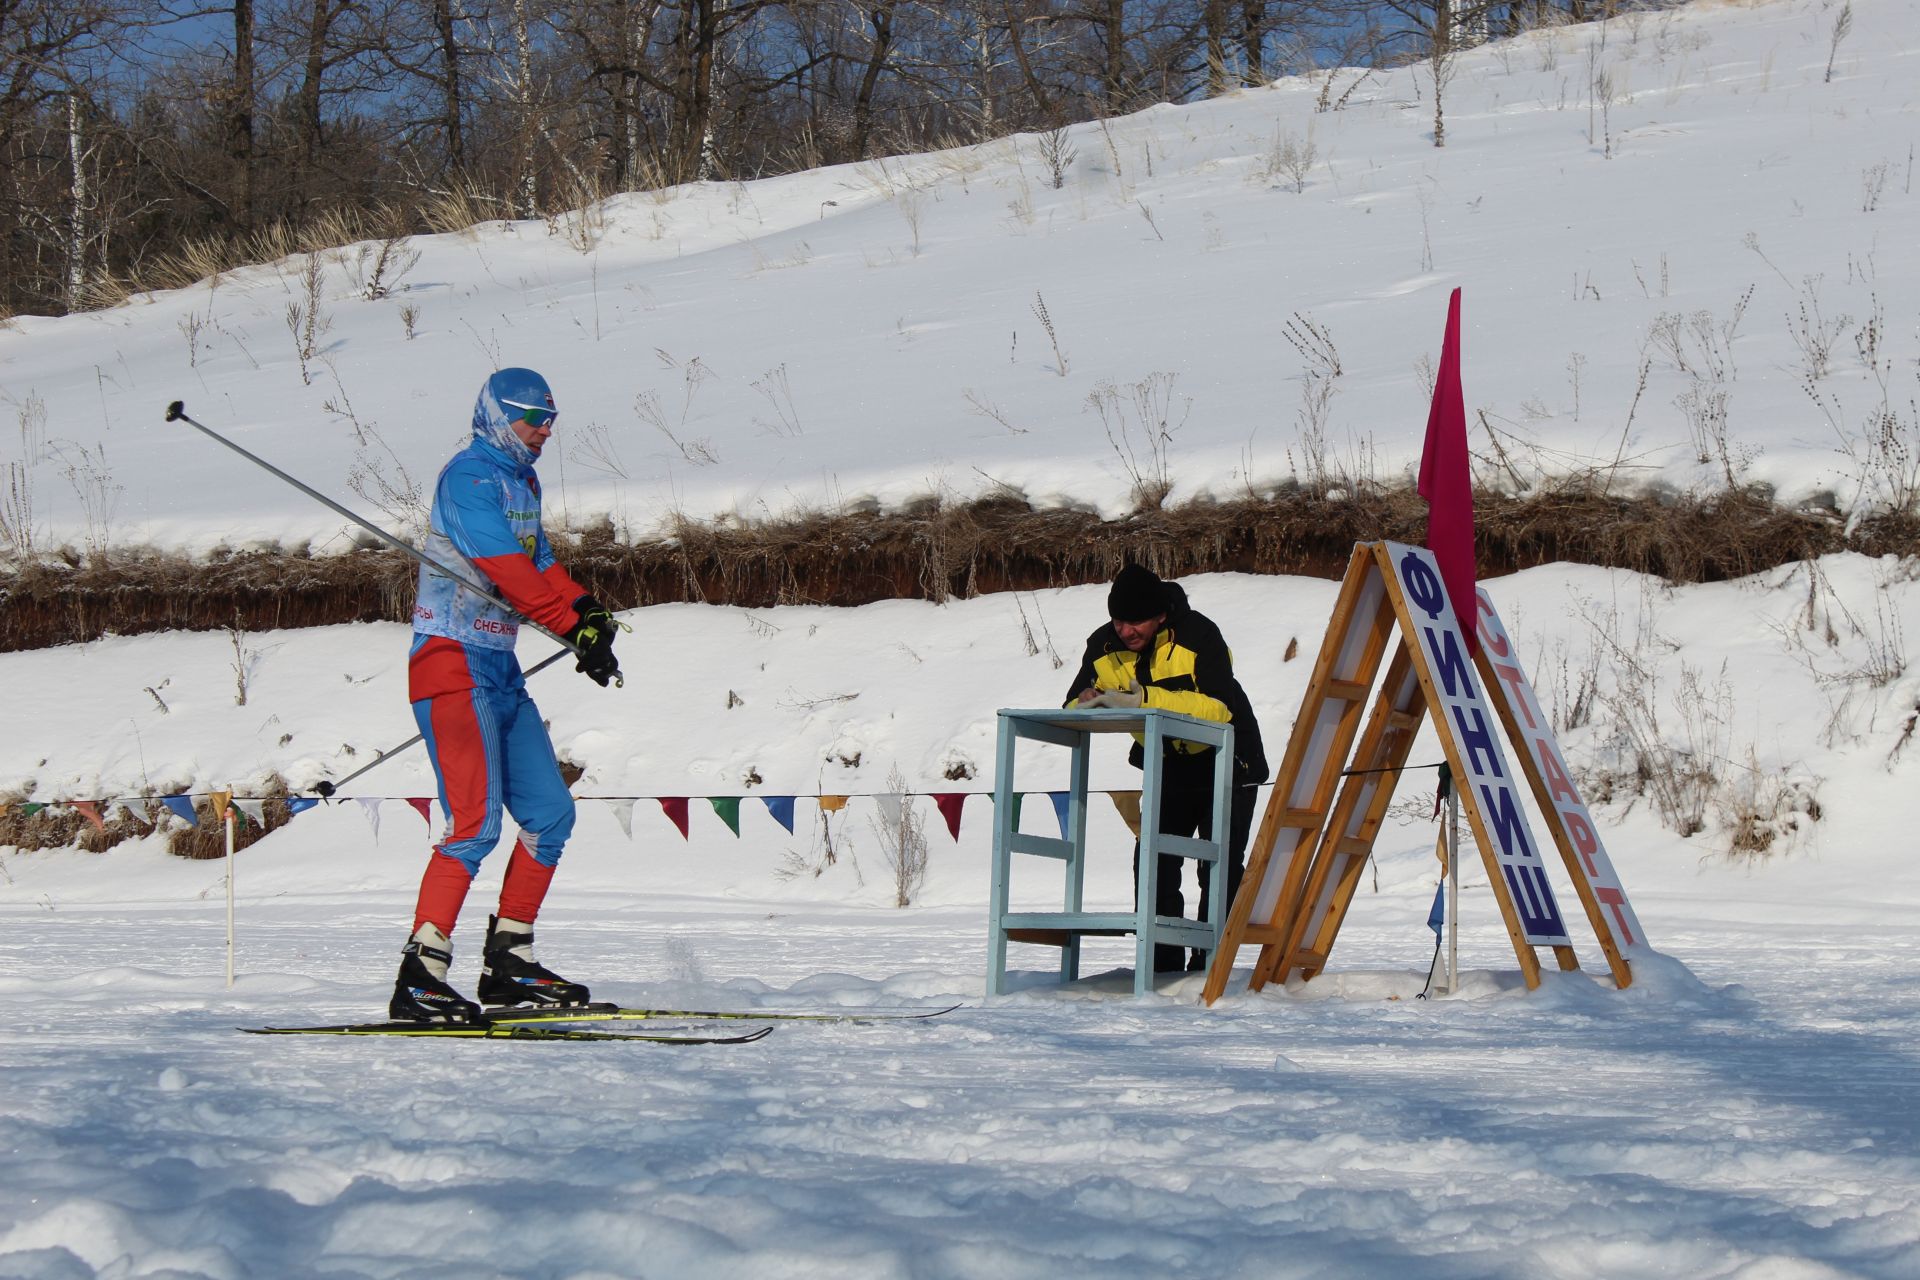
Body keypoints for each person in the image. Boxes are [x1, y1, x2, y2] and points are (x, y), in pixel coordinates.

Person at [389, 367, 622, 1022]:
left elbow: (540, 559)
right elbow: (509, 573)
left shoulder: (523, 479)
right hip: (449, 660)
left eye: (552, 420)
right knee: (474, 824)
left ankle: (509, 961)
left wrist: (588, 613)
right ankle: (420, 973)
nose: (544, 432)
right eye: (532, 420)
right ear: (498, 416)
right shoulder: (467, 478)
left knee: (551, 815)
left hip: (498, 664)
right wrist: (571, 625)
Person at [1065, 564, 1267, 973]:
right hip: (1168, 766)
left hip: (1228, 760)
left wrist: (1145, 700)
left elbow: (1217, 707)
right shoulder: (1102, 645)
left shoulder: (1200, 634)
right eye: (1118, 621)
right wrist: (1088, 698)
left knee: (1219, 867)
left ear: (1160, 615)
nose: (1125, 631)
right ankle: (1161, 965)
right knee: (1153, 861)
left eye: (1135, 621)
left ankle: (1210, 965)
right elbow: (1070, 704)